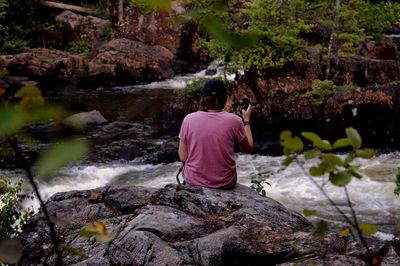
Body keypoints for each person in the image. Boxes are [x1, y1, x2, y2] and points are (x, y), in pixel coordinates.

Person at [178, 79, 254, 189]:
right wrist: (246, 121)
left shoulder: (188, 119)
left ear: (204, 98)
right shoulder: (235, 121)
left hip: (194, 181)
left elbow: (183, 157)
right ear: (225, 98)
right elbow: (249, 149)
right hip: (224, 182)